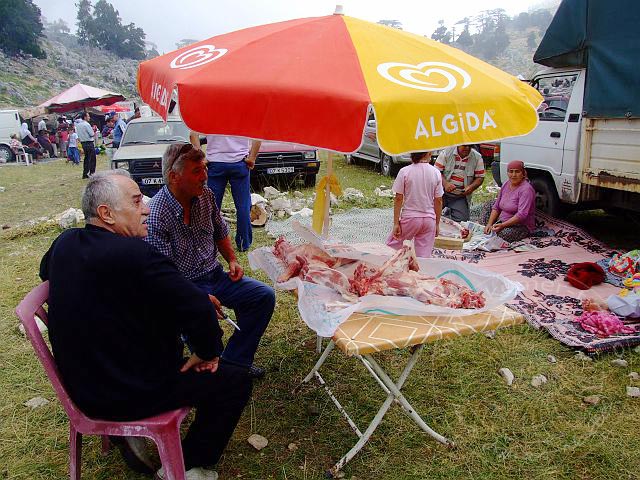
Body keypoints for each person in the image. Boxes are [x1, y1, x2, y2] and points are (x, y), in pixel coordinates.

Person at [39, 170, 251, 479]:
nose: (148, 209)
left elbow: (48, 273)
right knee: (235, 381)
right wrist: (207, 353)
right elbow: (198, 310)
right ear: (106, 214)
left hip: (84, 387)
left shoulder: (65, 242)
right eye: (137, 201)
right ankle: (188, 465)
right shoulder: (138, 254)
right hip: (125, 391)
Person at [146, 143, 275, 379]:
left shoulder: (205, 195)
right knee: (207, 328)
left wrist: (233, 260)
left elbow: (220, 231)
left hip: (214, 275)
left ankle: (234, 362)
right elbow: (164, 277)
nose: (205, 176)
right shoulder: (155, 214)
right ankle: (209, 366)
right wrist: (197, 298)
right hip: (183, 289)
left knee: (263, 296)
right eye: (197, 171)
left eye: (205, 168)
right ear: (174, 177)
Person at [189, 132, 260, 251]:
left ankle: (209, 242)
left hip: (216, 163)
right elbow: (257, 137)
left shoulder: (210, 113)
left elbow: (193, 135)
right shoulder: (245, 113)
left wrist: (201, 156)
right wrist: (252, 157)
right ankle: (244, 243)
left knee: (211, 207)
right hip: (239, 162)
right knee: (243, 206)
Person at [386, 151, 444, 258]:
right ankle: (419, 273)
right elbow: (438, 200)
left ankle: (389, 271)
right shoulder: (436, 173)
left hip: (410, 219)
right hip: (429, 220)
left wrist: (396, 223)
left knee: (391, 248)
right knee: (423, 256)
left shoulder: (405, 171)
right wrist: (436, 223)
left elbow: (399, 198)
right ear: (429, 153)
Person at [473, 160, 536, 243]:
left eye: (517, 172)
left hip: (519, 225)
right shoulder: (506, 184)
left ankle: (491, 230)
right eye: (511, 172)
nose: (513, 175)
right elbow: (496, 206)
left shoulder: (526, 190)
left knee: (502, 234)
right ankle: (486, 228)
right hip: (502, 220)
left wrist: (502, 225)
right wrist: (489, 224)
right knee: (489, 204)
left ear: (523, 173)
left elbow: (521, 215)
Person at [434, 145, 485, 222]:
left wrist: (471, 187)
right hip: (441, 193)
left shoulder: (477, 157)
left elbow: (480, 177)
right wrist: (445, 184)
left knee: (462, 220)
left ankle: (448, 213)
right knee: (432, 215)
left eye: (469, 146)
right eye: (464, 146)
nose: (467, 148)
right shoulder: (446, 153)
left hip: (460, 196)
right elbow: (435, 172)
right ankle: (446, 213)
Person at [75, 112, 96, 178]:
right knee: (92, 159)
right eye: (88, 116)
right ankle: (92, 173)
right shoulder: (87, 124)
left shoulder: (78, 125)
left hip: (83, 143)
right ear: (85, 117)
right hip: (89, 142)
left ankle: (85, 173)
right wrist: (94, 131)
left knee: (86, 158)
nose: (89, 117)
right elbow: (91, 134)